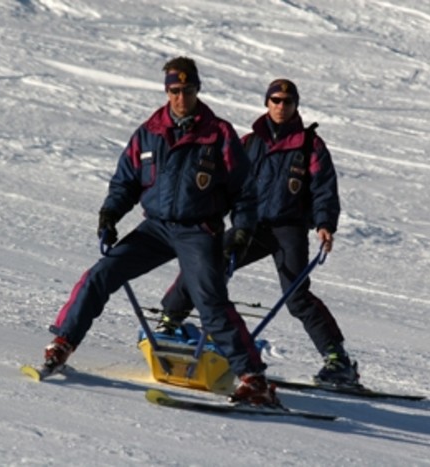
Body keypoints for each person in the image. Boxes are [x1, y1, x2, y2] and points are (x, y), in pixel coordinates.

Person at [43, 57, 279, 406]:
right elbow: (126, 181)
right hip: (156, 228)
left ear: (198, 88)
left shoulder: (219, 135)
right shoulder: (149, 132)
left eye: (187, 89)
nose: (181, 97)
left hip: (199, 229)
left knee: (210, 301)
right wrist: (110, 214)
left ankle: (253, 378)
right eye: (174, 90)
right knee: (101, 274)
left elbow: (244, 191)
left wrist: (242, 231)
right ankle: (62, 343)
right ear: (166, 91)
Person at [157, 78, 360, 387]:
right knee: (207, 263)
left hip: (288, 228)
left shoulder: (310, 145)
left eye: (287, 102)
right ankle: (170, 320)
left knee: (296, 294)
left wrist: (325, 225)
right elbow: (225, 183)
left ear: (295, 106)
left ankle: (337, 360)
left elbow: (324, 191)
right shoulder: (249, 142)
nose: (281, 106)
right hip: (250, 226)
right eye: (276, 100)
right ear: (267, 103)